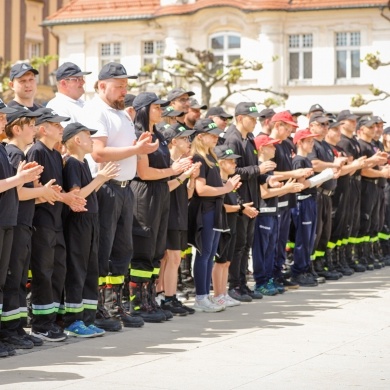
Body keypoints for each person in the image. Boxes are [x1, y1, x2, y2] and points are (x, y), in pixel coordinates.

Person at [83, 62, 155, 330]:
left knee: (122, 251)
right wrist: (136, 149)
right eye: (119, 85)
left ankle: (115, 305)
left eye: (126, 85)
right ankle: (99, 307)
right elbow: (98, 153)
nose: (124, 90)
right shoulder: (96, 112)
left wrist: (140, 148)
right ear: (102, 85)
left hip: (124, 188)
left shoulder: (122, 113)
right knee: (103, 251)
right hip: (106, 187)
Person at [129, 92, 193, 322]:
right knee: (143, 249)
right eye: (157, 107)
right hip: (144, 194)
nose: (161, 110)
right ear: (145, 109)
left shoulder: (158, 135)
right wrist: (173, 171)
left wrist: (178, 170)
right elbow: (144, 172)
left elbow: (165, 168)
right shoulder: (138, 134)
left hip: (160, 192)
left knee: (156, 250)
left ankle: (150, 299)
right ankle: (137, 303)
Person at [1, 107, 61, 350]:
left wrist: (43, 193)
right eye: (31, 125)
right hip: (12, 222)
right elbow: (18, 190)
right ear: (18, 129)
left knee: (15, 279)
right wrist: (41, 192)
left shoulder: (9, 152)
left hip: (17, 222)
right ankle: (9, 330)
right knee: (11, 279)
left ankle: (14, 328)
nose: (35, 129)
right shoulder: (13, 152)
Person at [27, 108, 87, 342]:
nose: (62, 129)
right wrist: (65, 198)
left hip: (56, 221)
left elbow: (56, 191)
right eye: (57, 125)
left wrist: (67, 197)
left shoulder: (54, 153)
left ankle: (52, 320)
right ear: (43, 128)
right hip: (41, 221)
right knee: (43, 271)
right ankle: (41, 324)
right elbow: (37, 191)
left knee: (57, 271)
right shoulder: (37, 151)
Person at [62, 122, 120, 337]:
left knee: (90, 270)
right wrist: (101, 178)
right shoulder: (73, 164)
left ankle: (87, 317)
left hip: (90, 221)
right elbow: (78, 195)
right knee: (77, 270)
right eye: (88, 136)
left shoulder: (83, 162)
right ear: (77, 140)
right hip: (78, 222)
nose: (92, 140)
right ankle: (73, 321)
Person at [223, 102, 280, 302]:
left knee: (246, 244)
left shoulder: (249, 138)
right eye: (252, 118)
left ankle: (242, 283)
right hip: (239, 200)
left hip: (251, 198)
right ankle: (234, 285)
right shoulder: (232, 139)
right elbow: (232, 171)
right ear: (240, 118)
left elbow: (254, 168)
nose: (255, 122)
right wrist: (259, 171)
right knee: (238, 245)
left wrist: (267, 178)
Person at [0, 103, 43, 357]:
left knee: (7, 281)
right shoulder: (9, 150)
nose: (2, 120)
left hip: (9, 221)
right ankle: (8, 330)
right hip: (6, 222)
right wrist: (20, 179)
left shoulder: (3, 150)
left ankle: (10, 331)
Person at [188, 118, 241, 312]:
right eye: (212, 135)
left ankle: (206, 295)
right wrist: (226, 187)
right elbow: (201, 190)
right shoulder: (198, 158)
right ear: (201, 137)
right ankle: (201, 297)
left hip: (214, 210)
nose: (216, 137)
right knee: (204, 254)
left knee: (210, 255)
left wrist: (226, 187)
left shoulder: (209, 156)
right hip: (205, 211)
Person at [252, 134, 304, 295]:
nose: (275, 148)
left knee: (271, 249)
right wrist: (287, 189)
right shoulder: (259, 167)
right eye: (271, 146)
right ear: (261, 148)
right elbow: (264, 194)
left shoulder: (269, 168)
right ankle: (260, 282)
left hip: (273, 212)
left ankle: (268, 279)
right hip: (263, 213)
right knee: (262, 250)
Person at [159, 123, 200, 316]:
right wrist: (183, 174)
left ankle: (168, 296)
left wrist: (191, 178)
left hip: (181, 213)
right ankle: (166, 297)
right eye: (184, 138)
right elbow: (164, 188)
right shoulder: (166, 161)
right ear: (173, 141)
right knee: (172, 257)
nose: (188, 141)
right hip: (168, 214)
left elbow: (189, 194)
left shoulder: (183, 162)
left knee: (172, 258)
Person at [212, 144, 243, 308]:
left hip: (232, 224)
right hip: (222, 225)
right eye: (231, 162)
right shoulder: (219, 183)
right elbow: (221, 206)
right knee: (220, 261)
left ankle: (223, 293)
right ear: (221, 163)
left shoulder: (228, 182)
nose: (235, 165)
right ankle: (217, 295)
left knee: (227, 262)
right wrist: (240, 208)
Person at [290, 129, 321, 287]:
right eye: (308, 141)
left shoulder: (306, 159)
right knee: (303, 238)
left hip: (310, 200)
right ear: (300, 142)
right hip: (302, 202)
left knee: (310, 237)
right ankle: (298, 271)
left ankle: (306, 267)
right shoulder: (299, 161)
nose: (312, 144)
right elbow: (299, 184)